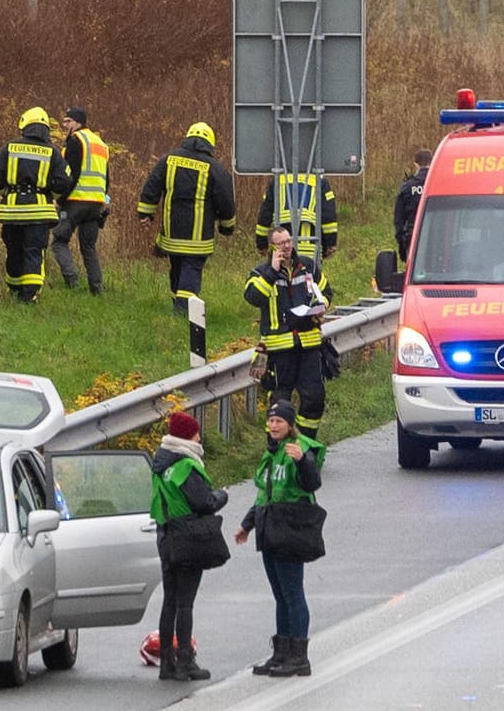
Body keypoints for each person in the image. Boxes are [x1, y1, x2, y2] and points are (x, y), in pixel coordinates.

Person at [234, 399, 325, 678]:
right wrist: (247, 525)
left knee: (293, 594)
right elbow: (265, 493)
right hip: (269, 528)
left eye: (279, 421)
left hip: (290, 528)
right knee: (280, 595)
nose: (274, 426)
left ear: (290, 425)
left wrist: (302, 462)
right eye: (271, 421)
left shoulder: (299, 450)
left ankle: (299, 657)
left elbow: (312, 484)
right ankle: (281, 653)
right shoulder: (271, 453)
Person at [148, 410, 228, 682]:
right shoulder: (185, 466)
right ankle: (185, 662)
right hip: (188, 537)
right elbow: (204, 502)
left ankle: (166, 665)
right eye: (195, 432)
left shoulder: (160, 465)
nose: (199, 436)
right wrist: (221, 496)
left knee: (169, 601)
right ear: (186, 437)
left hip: (165, 535)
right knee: (185, 603)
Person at [244, 226, 334, 438]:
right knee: (279, 404)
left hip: (309, 345)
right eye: (280, 243)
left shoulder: (307, 266)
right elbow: (254, 297)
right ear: (271, 248)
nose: (286, 246)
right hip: (279, 352)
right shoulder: (260, 273)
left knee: (314, 397)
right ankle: (277, 449)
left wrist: (321, 308)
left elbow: (326, 291)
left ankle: (305, 444)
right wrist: (272, 272)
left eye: (288, 241)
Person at [137, 122, 236, 313]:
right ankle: (183, 309)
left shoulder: (168, 159)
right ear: (210, 144)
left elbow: (152, 186)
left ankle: (178, 301)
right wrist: (227, 226)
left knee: (177, 265)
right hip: (198, 237)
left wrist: (145, 213)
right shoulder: (215, 168)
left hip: (171, 231)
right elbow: (226, 201)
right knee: (191, 268)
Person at [0, 106, 71, 303]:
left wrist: (6, 192)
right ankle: (29, 295)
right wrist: (51, 193)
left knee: (13, 249)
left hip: (13, 211)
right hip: (39, 212)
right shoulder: (53, 152)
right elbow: (65, 180)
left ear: (24, 125)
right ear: (46, 129)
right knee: (34, 251)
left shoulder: (10, 147)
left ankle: (14, 290)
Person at [52, 106, 109, 295]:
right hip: (96, 204)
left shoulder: (76, 140)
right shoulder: (100, 143)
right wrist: (103, 202)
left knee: (59, 240)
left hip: (76, 200)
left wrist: (60, 199)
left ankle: (72, 282)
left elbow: (71, 175)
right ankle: (97, 289)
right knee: (89, 247)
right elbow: (106, 178)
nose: (64, 125)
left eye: (68, 121)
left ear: (77, 123)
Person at [255, 174, 337, 261]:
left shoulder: (277, 181)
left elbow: (265, 215)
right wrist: (330, 243)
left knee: (281, 274)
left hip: (282, 249)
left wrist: (261, 244)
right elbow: (328, 216)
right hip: (310, 250)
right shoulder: (320, 181)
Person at [393, 148, 431, 263]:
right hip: (436, 240)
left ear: (416, 165)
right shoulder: (438, 184)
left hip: (413, 238)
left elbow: (399, 220)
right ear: (431, 162)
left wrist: (402, 243)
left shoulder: (407, 187)